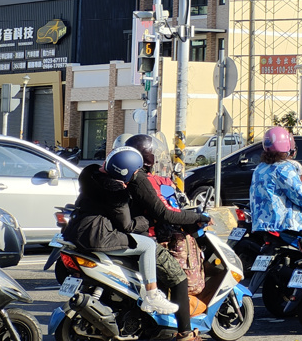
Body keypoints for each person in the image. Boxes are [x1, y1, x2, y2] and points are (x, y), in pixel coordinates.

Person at [63, 146, 179, 315]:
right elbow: (127, 225)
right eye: (135, 171)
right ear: (126, 172)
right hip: (96, 235)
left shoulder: (92, 177)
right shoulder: (115, 191)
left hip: (76, 229)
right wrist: (150, 220)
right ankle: (152, 295)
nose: (137, 174)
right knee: (147, 245)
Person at [124, 134, 210, 341]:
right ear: (147, 157)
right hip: (145, 238)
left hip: (123, 235)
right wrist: (198, 216)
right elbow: (166, 213)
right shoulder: (142, 180)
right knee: (178, 279)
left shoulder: (120, 176)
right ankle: (186, 333)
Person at [249, 127, 302, 232]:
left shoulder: (260, 168)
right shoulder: (283, 168)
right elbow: (301, 196)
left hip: (260, 226)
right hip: (283, 228)